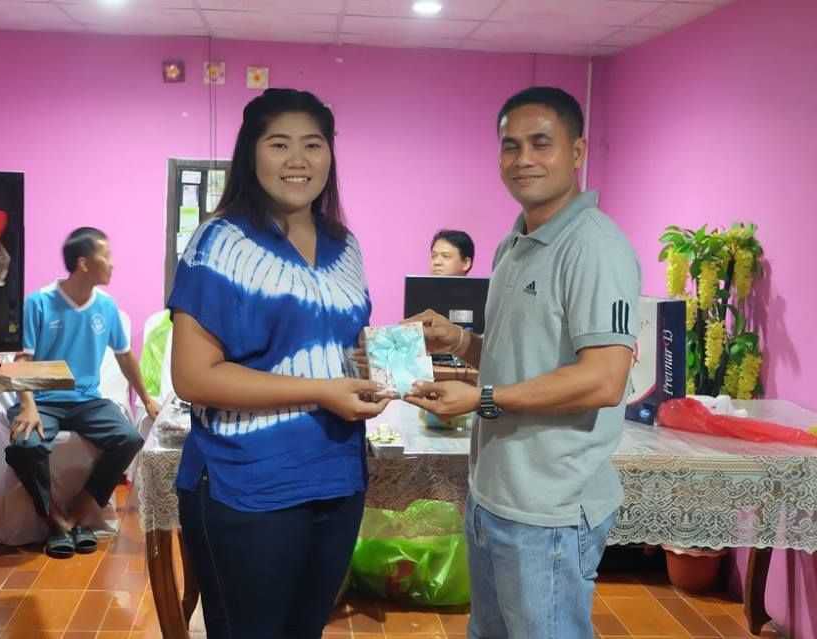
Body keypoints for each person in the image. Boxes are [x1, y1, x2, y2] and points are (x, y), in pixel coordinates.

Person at [406, 86, 641, 639]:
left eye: (541, 143)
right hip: (494, 495)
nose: (523, 159)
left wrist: (483, 399)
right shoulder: (514, 244)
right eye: (511, 146)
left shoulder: (594, 246)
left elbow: (604, 379)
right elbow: (519, 357)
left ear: (577, 152)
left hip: (550, 508)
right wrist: (459, 341)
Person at [167, 88, 390, 639]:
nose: (298, 160)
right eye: (279, 144)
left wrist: (377, 369)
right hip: (247, 483)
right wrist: (321, 391)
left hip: (337, 477)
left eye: (313, 144)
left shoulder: (345, 245)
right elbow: (193, 377)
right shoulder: (218, 242)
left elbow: (343, 350)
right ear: (252, 153)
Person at [5, 227, 159, 558]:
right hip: (42, 398)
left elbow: (125, 357)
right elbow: (21, 362)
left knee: (129, 438)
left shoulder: (106, 306)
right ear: (83, 263)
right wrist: (28, 406)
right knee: (24, 446)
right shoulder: (39, 302)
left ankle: (77, 512)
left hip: (87, 399)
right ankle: (53, 519)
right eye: (107, 256)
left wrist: (147, 399)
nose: (113, 264)